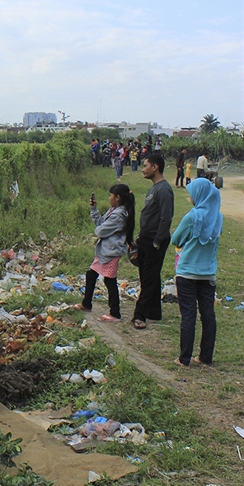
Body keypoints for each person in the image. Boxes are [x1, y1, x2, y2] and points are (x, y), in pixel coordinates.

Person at [171, 179, 222, 366]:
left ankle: (184, 359)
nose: (190, 196)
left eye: (191, 193)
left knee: (188, 315)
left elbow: (175, 239)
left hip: (187, 273)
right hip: (208, 273)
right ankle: (205, 357)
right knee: (208, 314)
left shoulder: (191, 217)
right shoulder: (219, 217)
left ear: (199, 195)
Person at [73, 184, 135, 322]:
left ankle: (115, 313)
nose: (109, 198)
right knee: (91, 274)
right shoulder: (113, 210)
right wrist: (94, 209)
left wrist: (100, 228)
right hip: (105, 251)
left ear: (117, 198)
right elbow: (100, 223)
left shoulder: (119, 215)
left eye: (110, 195)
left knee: (109, 280)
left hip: (111, 253)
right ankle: (86, 303)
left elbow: (100, 230)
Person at [131, 153, 175, 329]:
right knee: (150, 276)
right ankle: (154, 311)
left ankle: (139, 315)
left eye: (146, 165)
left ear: (155, 167)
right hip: (146, 239)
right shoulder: (154, 188)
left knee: (148, 278)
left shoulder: (164, 190)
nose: (143, 169)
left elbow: (166, 218)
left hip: (155, 241)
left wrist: (157, 241)